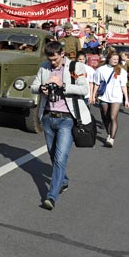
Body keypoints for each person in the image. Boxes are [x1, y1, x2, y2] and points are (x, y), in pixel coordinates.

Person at [31, 40, 91, 210]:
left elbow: (84, 90)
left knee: (60, 157)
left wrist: (63, 86)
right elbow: (33, 86)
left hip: (67, 119)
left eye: (56, 59)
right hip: (48, 117)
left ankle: (52, 196)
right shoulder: (44, 67)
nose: (53, 62)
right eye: (50, 59)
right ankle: (63, 180)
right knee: (52, 154)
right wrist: (41, 88)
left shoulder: (75, 67)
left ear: (62, 54)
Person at [91, 49, 129, 147]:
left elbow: (123, 86)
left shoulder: (121, 70)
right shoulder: (101, 70)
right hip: (104, 97)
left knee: (113, 117)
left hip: (116, 97)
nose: (116, 61)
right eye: (114, 59)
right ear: (108, 59)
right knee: (105, 116)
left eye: (117, 59)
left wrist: (126, 99)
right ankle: (109, 133)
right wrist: (93, 95)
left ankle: (111, 139)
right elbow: (96, 84)